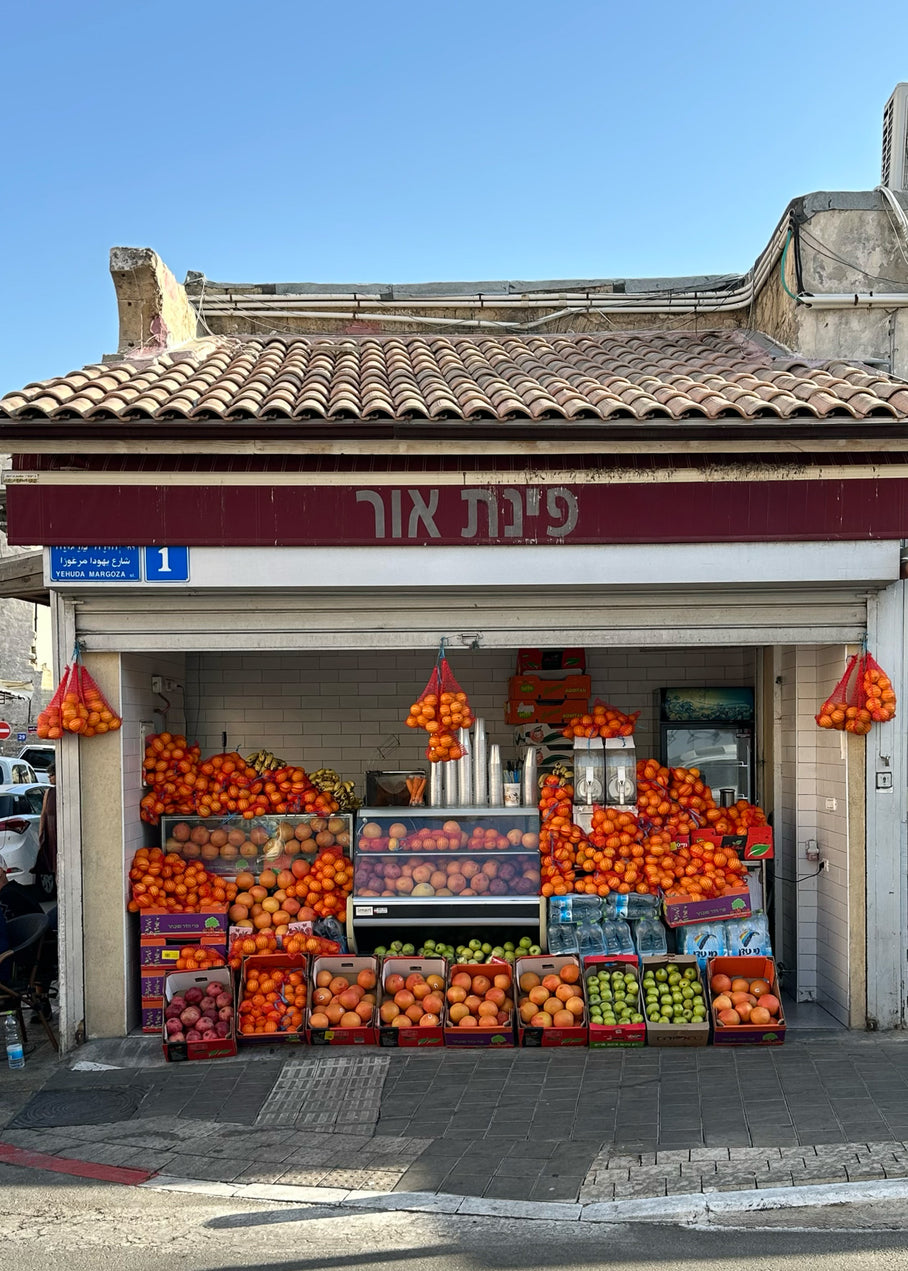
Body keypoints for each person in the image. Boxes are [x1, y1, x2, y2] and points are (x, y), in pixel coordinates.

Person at [37, 763, 57, 900]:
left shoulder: (63, 791)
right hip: (51, 833)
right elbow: (43, 814)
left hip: (59, 831)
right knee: (53, 863)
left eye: (52, 775)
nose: (50, 779)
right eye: (49, 776)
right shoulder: (48, 793)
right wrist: (41, 833)